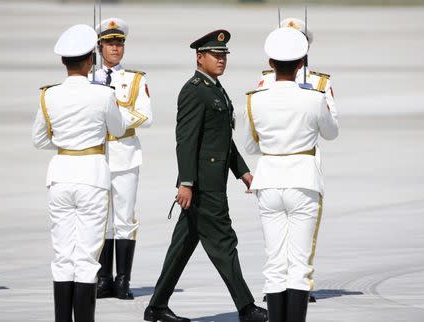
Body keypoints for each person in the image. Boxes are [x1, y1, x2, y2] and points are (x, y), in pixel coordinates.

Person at [143, 29, 268, 322]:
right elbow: (185, 140)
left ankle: (157, 307)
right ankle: (246, 307)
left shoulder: (214, 88)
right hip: (202, 185)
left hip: (212, 181)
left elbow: (222, 138)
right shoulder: (194, 90)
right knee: (224, 242)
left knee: (182, 246)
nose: (221, 59)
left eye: (224, 55)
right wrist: (186, 183)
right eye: (216, 54)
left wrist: (243, 172)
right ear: (200, 58)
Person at [244, 27, 339, 322]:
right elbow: (331, 133)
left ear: (270, 64)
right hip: (303, 180)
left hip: (269, 179)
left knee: (274, 263)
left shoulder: (254, 98)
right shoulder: (314, 97)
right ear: (301, 65)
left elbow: (250, 145)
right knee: (299, 265)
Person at [32, 24, 126, 322]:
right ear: (91, 61)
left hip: (60, 174)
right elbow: (119, 129)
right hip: (92, 177)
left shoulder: (49, 96)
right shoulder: (103, 95)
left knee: (63, 256)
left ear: (63, 62)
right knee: (86, 259)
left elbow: (39, 139)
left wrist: (65, 143)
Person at [93, 17, 152, 300]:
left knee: (124, 219)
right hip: (96, 155)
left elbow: (146, 115)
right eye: (110, 43)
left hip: (125, 153)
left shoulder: (134, 79)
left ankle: (123, 280)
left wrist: (114, 121)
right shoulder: (89, 79)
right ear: (99, 46)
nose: (115, 48)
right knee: (101, 220)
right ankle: (103, 278)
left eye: (119, 43)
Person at [257, 18, 335, 116]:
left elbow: (330, 126)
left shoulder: (320, 84)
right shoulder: (266, 79)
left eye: (297, 43)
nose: (291, 47)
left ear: (307, 48)